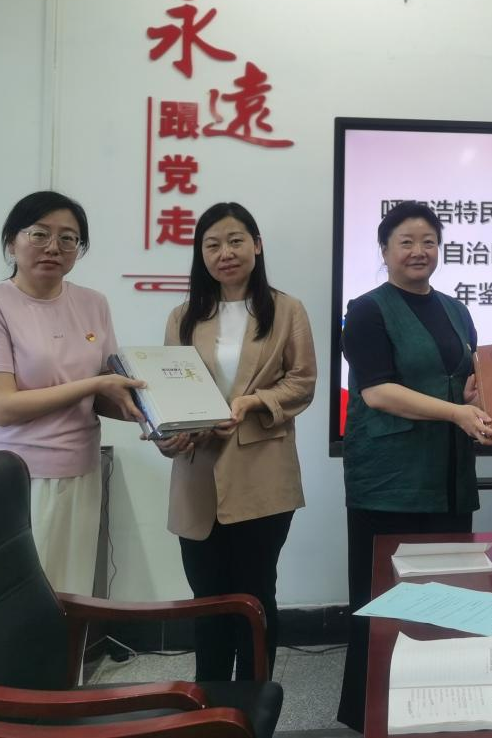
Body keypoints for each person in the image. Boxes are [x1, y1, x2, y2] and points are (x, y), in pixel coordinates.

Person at [337, 201, 492, 732]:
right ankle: (371, 716)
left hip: (448, 476)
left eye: (428, 241)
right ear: (384, 251)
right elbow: (377, 392)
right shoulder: (366, 310)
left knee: (448, 598)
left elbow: (462, 380)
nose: (418, 251)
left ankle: (439, 711)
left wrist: (474, 396)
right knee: (384, 602)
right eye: (405, 242)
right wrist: (456, 411)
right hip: (390, 481)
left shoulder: (456, 310)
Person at [155, 202, 316, 682]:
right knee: (207, 600)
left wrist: (253, 402)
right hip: (197, 473)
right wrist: (168, 436)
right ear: (201, 254)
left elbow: (302, 381)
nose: (224, 253)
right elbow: (169, 390)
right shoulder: (183, 316)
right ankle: (209, 707)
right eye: (212, 244)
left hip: (262, 473)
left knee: (254, 596)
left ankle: (252, 705)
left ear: (257, 245)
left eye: (235, 240)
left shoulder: (286, 309)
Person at [0, 191, 143, 595]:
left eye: (68, 238)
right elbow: (2, 407)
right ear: (12, 242)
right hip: (12, 476)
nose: (53, 247)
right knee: (13, 600)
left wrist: (151, 416)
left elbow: (105, 391)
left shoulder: (93, 304)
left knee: (69, 597)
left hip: (81, 471)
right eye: (39, 234)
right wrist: (96, 384)